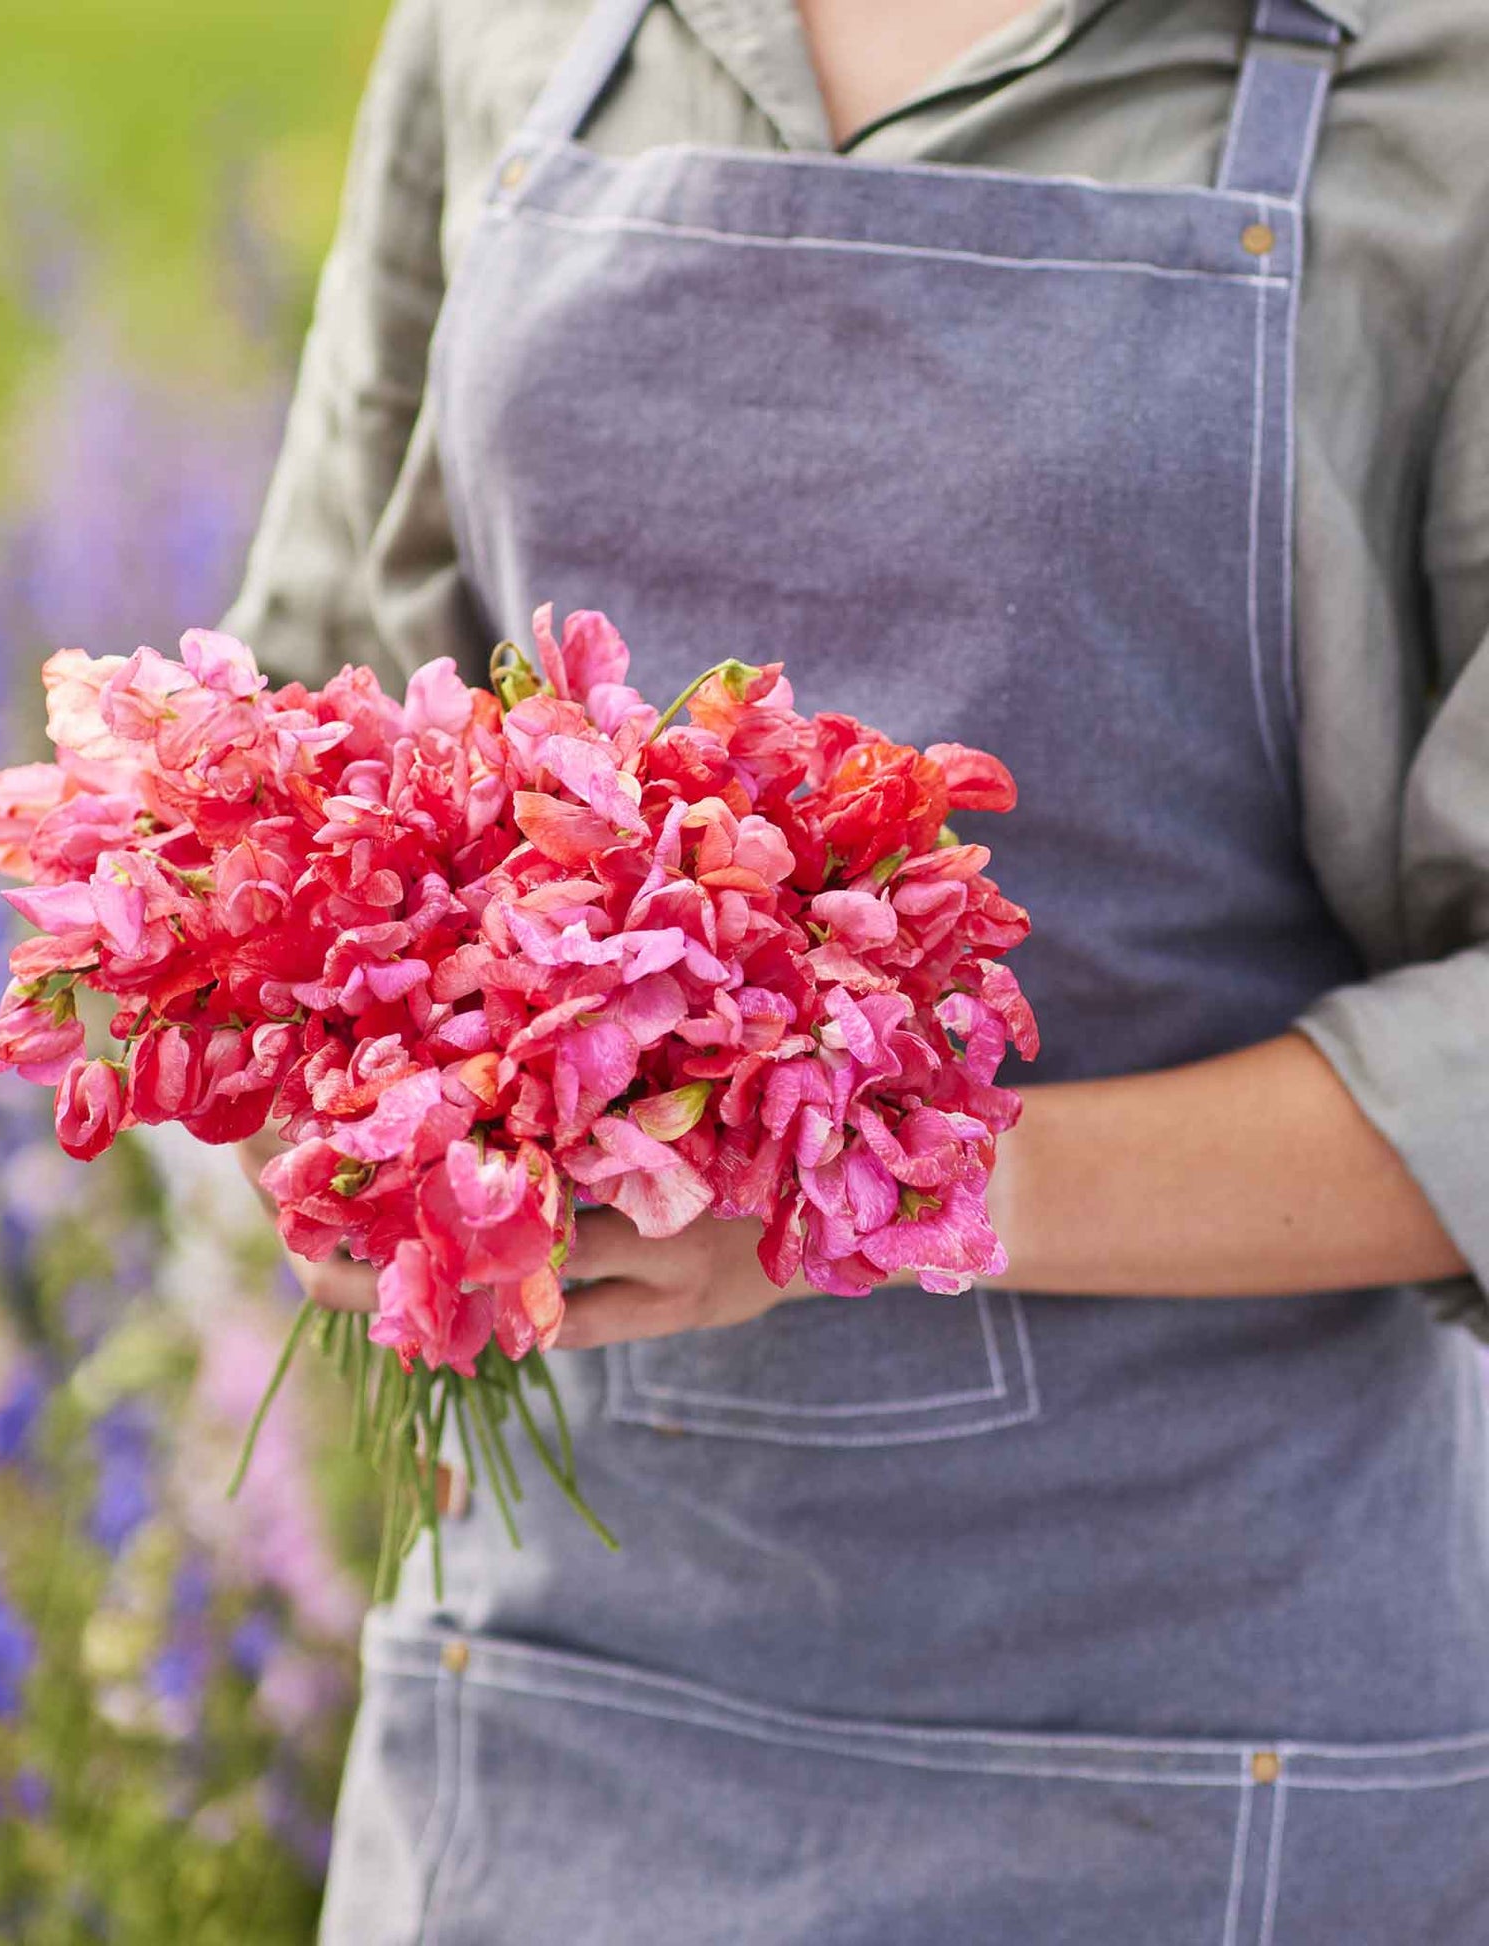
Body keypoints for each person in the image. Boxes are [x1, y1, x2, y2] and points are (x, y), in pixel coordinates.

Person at [225, 0, 1489, 1936]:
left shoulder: (1441, 73)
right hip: (554, 1719)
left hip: (1199, 1757)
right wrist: (333, 1091)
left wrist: (891, 1183)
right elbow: (310, 724)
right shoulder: (517, 27)